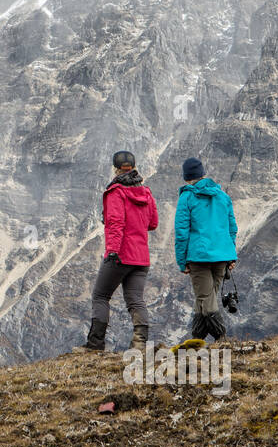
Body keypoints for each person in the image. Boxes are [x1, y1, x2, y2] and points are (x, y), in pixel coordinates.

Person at [81, 151, 158, 352]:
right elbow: (153, 223)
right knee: (135, 299)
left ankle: (95, 344)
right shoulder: (146, 193)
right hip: (141, 257)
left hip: (121, 254)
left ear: (115, 168)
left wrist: (112, 251)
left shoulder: (115, 192)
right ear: (134, 167)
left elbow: (116, 223)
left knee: (101, 295)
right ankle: (141, 344)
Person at [174, 157, 238, 341]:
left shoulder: (187, 197)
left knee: (206, 299)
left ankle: (222, 337)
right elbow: (232, 228)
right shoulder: (223, 197)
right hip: (222, 257)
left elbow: (181, 232)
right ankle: (197, 339)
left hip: (199, 257)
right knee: (205, 297)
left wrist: (182, 260)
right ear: (203, 173)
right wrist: (230, 254)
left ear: (187, 178)